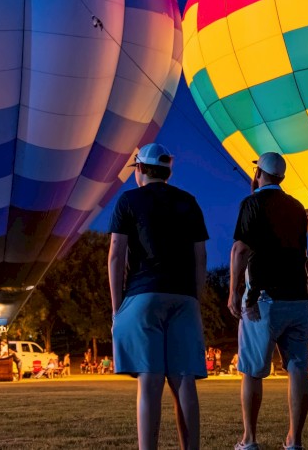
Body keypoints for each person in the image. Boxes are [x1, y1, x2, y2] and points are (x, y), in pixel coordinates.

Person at [109, 143, 208, 450]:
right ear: (168, 171)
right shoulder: (188, 201)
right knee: (184, 379)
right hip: (184, 297)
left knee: (149, 381)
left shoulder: (128, 200)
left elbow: (116, 255)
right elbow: (200, 257)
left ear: (139, 169)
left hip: (143, 295)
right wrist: (196, 300)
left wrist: (117, 307)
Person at [229, 151, 308, 450]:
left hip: (263, 299)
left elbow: (240, 249)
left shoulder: (251, 203)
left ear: (257, 173)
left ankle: (249, 439)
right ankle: (294, 440)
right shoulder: (297, 207)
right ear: (283, 176)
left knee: (252, 371)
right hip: (300, 298)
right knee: (298, 368)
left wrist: (234, 292)